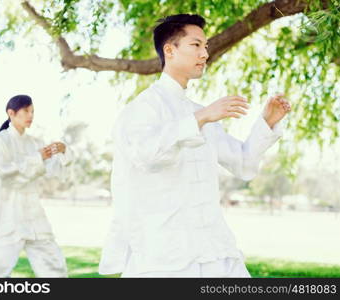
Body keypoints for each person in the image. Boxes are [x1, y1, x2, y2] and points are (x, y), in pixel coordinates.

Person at [99, 14, 291, 277]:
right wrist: (200, 118)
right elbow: (146, 155)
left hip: (214, 246)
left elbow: (244, 164)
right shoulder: (143, 109)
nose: (205, 53)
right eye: (196, 45)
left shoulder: (201, 113)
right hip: (165, 253)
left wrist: (266, 123)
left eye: (207, 47)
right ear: (170, 50)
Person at [0, 94, 71, 277]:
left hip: (33, 214)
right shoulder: (0, 141)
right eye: (26, 111)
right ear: (11, 113)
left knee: (54, 266)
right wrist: (37, 158)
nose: (30, 115)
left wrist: (63, 152)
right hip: (6, 215)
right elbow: (6, 175)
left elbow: (54, 172)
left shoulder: (35, 143)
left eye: (32, 111)